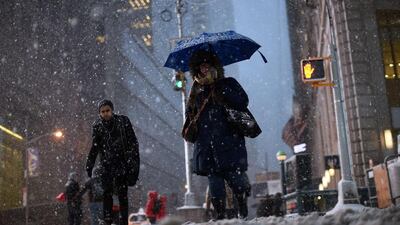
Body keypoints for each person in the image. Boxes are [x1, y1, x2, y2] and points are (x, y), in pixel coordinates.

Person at [183, 50, 252, 220]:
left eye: (208, 65)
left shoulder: (228, 83)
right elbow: (190, 114)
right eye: (201, 66)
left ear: (215, 67)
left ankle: (241, 201)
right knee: (214, 181)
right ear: (196, 69)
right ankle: (220, 213)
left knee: (236, 179)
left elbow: (243, 101)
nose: (205, 69)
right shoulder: (196, 89)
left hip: (229, 140)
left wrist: (223, 93)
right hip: (206, 144)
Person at [86, 99, 140, 225]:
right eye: (102, 111)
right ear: (99, 113)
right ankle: (108, 220)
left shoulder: (123, 121)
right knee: (107, 193)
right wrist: (89, 164)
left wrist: (131, 159)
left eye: (107, 111)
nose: (105, 114)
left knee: (122, 194)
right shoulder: (97, 126)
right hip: (106, 164)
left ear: (112, 110)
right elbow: (94, 147)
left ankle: (123, 220)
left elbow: (133, 142)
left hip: (122, 162)